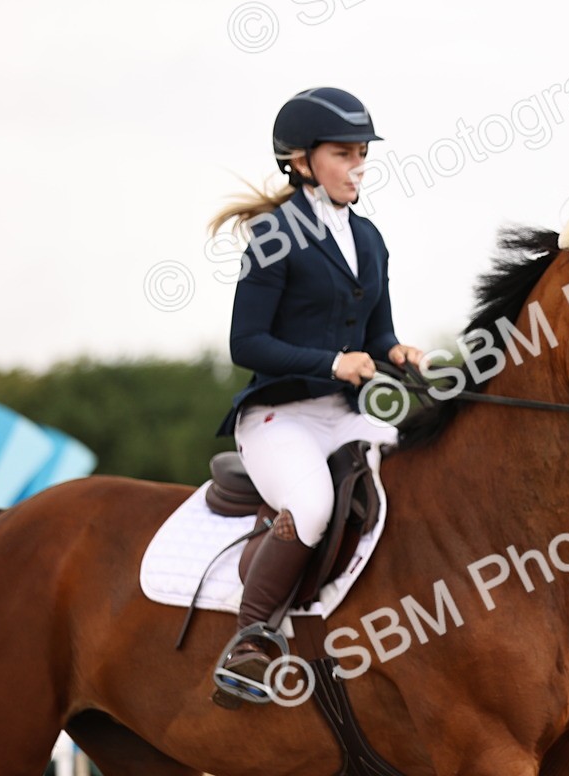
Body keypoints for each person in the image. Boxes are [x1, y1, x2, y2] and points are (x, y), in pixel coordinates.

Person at [210, 87, 422, 686]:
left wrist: (398, 352)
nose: (358, 164)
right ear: (301, 161)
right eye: (343, 153)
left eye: (362, 153)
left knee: (419, 474)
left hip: (345, 413)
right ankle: (250, 638)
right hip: (281, 417)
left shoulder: (370, 239)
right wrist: (333, 363)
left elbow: (378, 335)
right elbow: (245, 344)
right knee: (311, 505)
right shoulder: (273, 234)